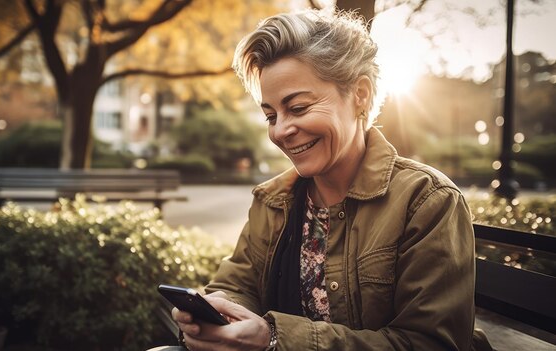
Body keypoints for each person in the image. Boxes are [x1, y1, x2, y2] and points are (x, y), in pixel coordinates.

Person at [164, 8, 493, 351]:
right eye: (271, 115)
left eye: (300, 107)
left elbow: (430, 343)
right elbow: (237, 285)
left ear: (360, 95)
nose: (281, 130)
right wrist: (215, 313)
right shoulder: (273, 199)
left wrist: (275, 338)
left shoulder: (426, 200)